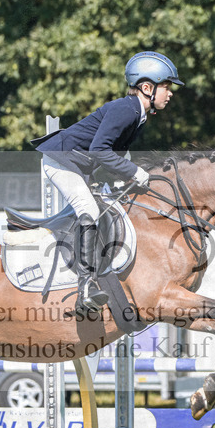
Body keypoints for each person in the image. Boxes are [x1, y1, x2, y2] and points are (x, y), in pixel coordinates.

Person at [33, 51, 184, 314]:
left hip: (81, 166)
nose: (170, 94)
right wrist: (134, 173)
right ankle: (86, 286)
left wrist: (126, 178)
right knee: (89, 211)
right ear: (147, 88)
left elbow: (110, 155)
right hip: (61, 162)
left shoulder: (137, 113)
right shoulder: (126, 109)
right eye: (166, 87)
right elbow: (100, 151)